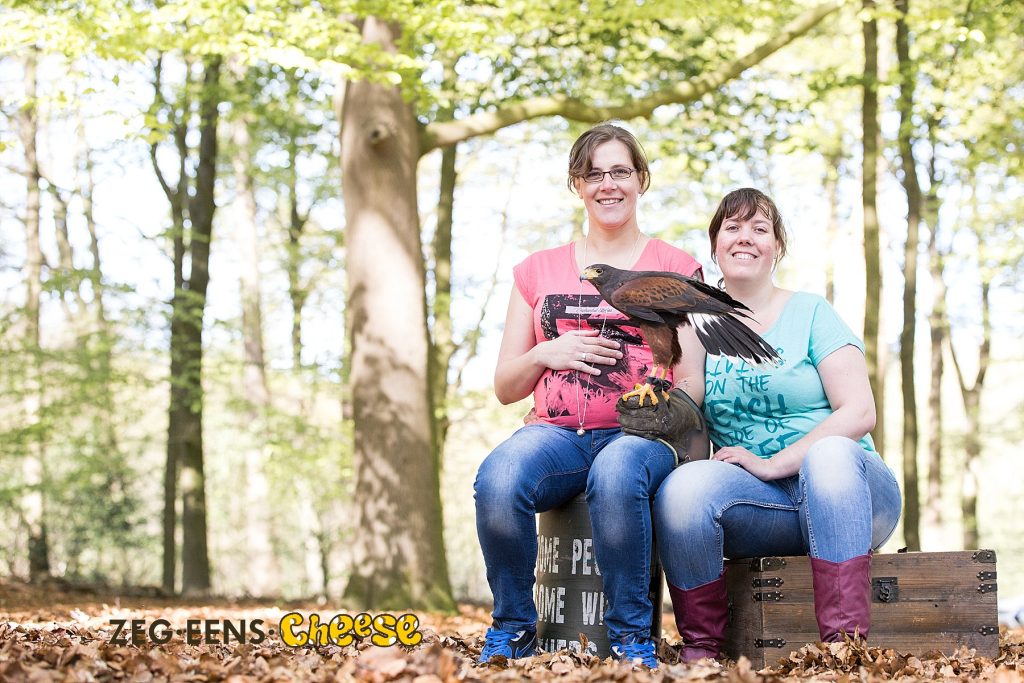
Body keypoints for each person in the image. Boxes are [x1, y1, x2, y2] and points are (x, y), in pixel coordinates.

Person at [473, 123, 706, 669]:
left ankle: (631, 640)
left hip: (642, 438)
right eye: (594, 173)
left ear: (641, 180)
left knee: (618, 472)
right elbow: (507, 386)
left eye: (620, 171)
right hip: (557, 435)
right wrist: (543, 356)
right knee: (499, 479)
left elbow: (693, 381)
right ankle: (513, 627)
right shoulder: (537, 271)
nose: (608, 184)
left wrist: (659, 413)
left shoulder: (675, 267)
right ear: (577, 184)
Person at [653, 187, 903, 662]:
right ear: (715, 246)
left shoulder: (811, 312)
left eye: (759, 228)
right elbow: (690, 413)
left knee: (829, 454)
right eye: (732, 227)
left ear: (777, 248)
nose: (745, 237)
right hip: (764, 508)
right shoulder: (696, 325)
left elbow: (859, 411)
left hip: (850, 496)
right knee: (683, 487)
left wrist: (774, 463)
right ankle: (703, 653)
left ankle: (843, 653)